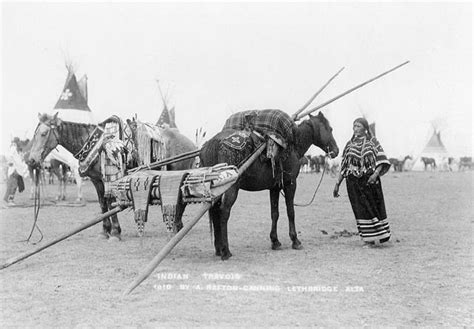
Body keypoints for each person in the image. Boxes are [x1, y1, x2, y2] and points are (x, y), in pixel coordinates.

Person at [333, 117, 391, 247]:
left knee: (373, 208)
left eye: (358, 126)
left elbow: (382, 160)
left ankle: (381, 235)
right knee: (360, 210)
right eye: (354, 126)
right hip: (353, 182)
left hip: (369, 181)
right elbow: (344, 166)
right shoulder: (349, 144)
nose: (355, 129)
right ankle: (368, 239)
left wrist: (375, 174)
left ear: (365, 128)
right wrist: (337, 183)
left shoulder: (372, 141)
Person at [3, 138, 28, 206]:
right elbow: (10, 156)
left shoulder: (15, 150)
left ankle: (9, 199)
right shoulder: (13, 148)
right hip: (13, 170)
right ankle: (9, 200)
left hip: (15, 170)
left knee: (14, 185)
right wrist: (10, 162)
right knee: (12, 185)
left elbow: (17, 159)